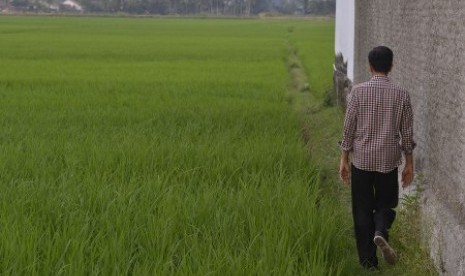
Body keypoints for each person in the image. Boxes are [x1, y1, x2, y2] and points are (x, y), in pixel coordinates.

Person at [339, 46, 415, 270]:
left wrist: (344, 157)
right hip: (388, 161)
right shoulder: (402, 95)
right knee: (386, 204)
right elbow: (407, 133)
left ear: (370, 67)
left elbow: (348, 128)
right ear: (391, 66)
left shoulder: (357, 92)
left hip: (362, 160)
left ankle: (369, 263)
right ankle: (381, 230)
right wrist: (409, 163)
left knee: (362, 209)